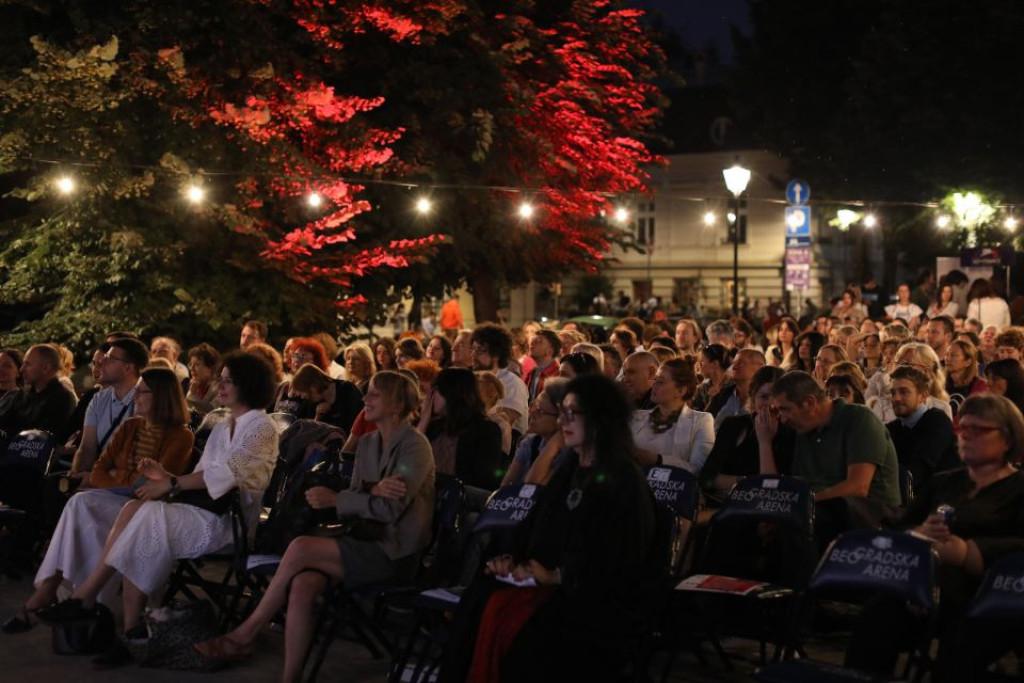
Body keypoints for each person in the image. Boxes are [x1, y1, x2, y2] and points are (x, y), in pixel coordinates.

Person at [34, 352, 279, 667]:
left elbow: (225, 477)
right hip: (203, 508)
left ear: (249, 385)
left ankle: (104, 609)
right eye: (222, 378)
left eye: (228, 380)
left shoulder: (261, 427)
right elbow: (200, 479)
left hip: (228, 522)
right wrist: (164, 476)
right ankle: (124, 624)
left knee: (148, 515)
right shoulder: (222, 426)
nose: (220, 385)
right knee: (139, 509)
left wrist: (171, 485)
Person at [196, 371, 435, 681]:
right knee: (302, 585)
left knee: (299, 547)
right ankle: (290, 677)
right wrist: (366, 493)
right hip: (360, 537)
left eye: (375, 394)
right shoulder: (367, 443)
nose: (365, 399)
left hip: (392, 553)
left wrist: (340, 498)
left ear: (397, 403)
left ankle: (244, 634)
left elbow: (389, 510)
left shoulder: (414, 446)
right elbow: (362, 498)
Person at [442, 374, 659, 682]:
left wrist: (557, 574)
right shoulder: (570, 468)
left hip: (594, 599)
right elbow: (536, 522)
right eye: (563, 412)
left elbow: (619, 558)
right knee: (480, 598)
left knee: (528, 633)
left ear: (600, 418)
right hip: (550, 583)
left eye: (575, 413)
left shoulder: (623, 479)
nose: (564, 421)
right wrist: (512, 558)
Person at [2, 367, 195, 634]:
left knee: (81, 505)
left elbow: (153, 484)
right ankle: (67, 596)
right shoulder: (130, 426)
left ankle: (52, 591)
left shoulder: (181, 435)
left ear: (161, 396)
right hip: (114, 499)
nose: (135, 396)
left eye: (142, 391)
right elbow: (100, 471)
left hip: (146, 507)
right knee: (80, 504)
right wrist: (123, 477)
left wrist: (118, 475)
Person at [845, 394, 1024, 680]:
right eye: (962, 429)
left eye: (977, 430)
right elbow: (898, 525)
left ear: (1007, 438)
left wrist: (968, 552)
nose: (965, 436)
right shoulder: (945, 482)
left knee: (965, 639)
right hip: (926, 589)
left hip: (994, 597)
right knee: (877, 616)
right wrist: (918, 535)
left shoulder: (1018, 488)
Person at [760, 371, 901, 544]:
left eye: (785, 409)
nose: (782, 419)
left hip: (871, 514)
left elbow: (858, 487)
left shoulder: (859, 419)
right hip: (823, 511)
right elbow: (801, 483)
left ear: (810, 403)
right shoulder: (804, 429)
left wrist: (799, 505)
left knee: (802, 522)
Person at [701, 366, 793, 498]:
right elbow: (706, 479)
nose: (771, 405)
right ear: (753, 396)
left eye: (777, 398)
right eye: (764, 397)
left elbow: (772, 488)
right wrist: (746, 482)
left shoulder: (790, 431)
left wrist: (765, 442)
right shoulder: (733, 425)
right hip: (728, 504)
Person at [70, 338, 150, 478]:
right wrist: (75, 477)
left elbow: (136, 457)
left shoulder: (146, 400)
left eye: (109, 359)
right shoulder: (98, 399)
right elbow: (87, 448)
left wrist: (93, 478)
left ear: (128, 368)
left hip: (125, 480)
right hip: (98, 477)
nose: (101, 362)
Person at [419, 367, 504, 491]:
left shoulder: (485, 430)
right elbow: (405, 463)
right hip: (425, 496)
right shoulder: (431, 426)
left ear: (451, 394)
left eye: (436, 390)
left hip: (459, 501)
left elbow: (484, 482)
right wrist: (422, 425)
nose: (429, 397)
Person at [630, 358, 713, 472]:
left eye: (661, 382)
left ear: (681, 391)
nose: (654, 385)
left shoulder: (701, 421)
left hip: (670, 487)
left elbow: (698, 469)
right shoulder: (637, 416)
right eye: (655, 380)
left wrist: (658, 460)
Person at [885, 365, 959, 492]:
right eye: (893, 393)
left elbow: (918, 471)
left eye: (904, 392)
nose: (896, 398)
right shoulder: (893, 429)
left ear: (923, 396)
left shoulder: (937, 422)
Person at [0, 344, 77, 439]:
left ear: (45, 368)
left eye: (28, 364)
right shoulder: (20, 396)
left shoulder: (62, 399)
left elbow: (41, 440)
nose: (21, 369)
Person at [502, 379, 569, 487]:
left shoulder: (569, 451)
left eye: (541, 411)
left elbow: (531, 487)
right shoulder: (529, 443)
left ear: (560, 417)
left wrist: (553, 444)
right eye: (534, 407)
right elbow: (505, 486)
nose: (532, 413)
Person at [471, 324, 529, 436]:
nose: (473, 355)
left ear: (496, 354)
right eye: (473, 349)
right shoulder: (473, 380)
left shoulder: (512, 383)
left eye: (480, 351)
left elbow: (503, 425)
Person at [288, 363, 364, 434]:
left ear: (314, 385)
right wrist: (318, 417)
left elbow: (359, 421)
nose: (303, 396)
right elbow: (307, 432)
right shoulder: (310, 401)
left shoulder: (347, 389)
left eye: (304, 391)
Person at [709, 348, 766, 431]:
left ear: (760, 367)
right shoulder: (723, 394)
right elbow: (706, 420)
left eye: (740, 363)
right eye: (734, 363)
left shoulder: (766, 400)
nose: (734, 367)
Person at [944, 339, 987, 414]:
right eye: (947, 354)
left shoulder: (980, 386)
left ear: (968, 362)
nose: (948, 359)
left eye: (954, 355)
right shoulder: (940, 382)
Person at [522, 329, 561, 404]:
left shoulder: (557, 375)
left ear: (549, 351)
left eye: (539, 342)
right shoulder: (532, 372)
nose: (532, 343)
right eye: (532, 340)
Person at [691, 344, 731, 412]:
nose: (699, 366)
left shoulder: (734, 386)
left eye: (701, 362)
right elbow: (697, 418)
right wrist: (711, 401)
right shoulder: (702, 389)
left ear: (715, 363)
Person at [186, 342, 221, 414]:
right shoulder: (194, 384)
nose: (192, 368)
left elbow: (211, 411)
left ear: (210, 368)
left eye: (197, 364)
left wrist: (193, 394)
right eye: (190, 364)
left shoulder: (220, 387)